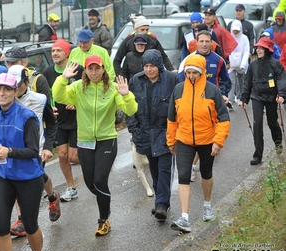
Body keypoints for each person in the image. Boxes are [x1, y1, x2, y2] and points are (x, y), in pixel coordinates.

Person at [52, 55, 138, 236]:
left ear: (103, 69)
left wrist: (126, 95)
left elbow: (131, 110)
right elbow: (58, 96)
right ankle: (105, 203)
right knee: (91, 184)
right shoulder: (78, 88)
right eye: (90, 69)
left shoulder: (113, 88)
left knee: (99, 180)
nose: (93, 72)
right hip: (84, 141)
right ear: (85, 71)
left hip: (107, 139)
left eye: (97, 68)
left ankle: (103, 220)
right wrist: (63, 78)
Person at [0, 73, 46, 251]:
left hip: (28, 176)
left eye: (7, 89)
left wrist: (9, 152)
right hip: (2, 175)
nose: (2, 93)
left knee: (30, 224)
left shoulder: (27, 116)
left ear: (15, 91)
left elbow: (34, 151)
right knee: (1, 227)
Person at [167, 54, 231, 232]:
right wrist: (171, 141)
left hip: (207, 140)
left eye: (195, 72)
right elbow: (172, 119)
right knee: (184, 176)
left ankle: (207, 206)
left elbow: (224, 119)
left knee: (206, 173)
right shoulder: (178, 90)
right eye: (188, 72)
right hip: (184, 140)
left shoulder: (212, 91)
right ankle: (185, 218)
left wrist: (218, 141)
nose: (191, 76)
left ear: (202, 72)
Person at [8, 64, 60, 251]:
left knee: (28, 197)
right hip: (12, 155)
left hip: (35, 153)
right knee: (35, 183)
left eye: (18, 85)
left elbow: (52, 124)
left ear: (26, 82)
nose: (13, 90)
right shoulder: (4, 99)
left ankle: (32, 245)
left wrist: (48, 147)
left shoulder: (39, 99)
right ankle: (53, 196)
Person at [125, 49, 181, 221]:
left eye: (152, 66)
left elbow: (179, 107)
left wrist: (177, 132)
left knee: (164, 168)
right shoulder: (136, 81)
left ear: (159, 66)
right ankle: (160, 202)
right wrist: (134, 130)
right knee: (155, 170)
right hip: (145, 132)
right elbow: (130, 107)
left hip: (165, 132)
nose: (149, 70)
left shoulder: (172, 80)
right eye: (146, 66)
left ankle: (162, 205)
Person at [43, 39, 83, 202]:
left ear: (67, 53)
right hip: (58, 120)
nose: (55, 53)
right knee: (62, 154)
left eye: (59, 50)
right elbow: (47, 95)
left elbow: (87, 89)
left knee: (74, 157)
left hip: (76, 120)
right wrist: (50, 107)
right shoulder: (47, 72)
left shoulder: (77, 69)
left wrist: (76, 102)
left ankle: (94, 161)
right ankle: (71, 187)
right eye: (53, 51)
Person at [240, 38, 286, 165]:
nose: (258, 50)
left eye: (261, 48)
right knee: (257, 123)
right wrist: (244, 99)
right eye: (257, 48)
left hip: (271, 97)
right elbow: (247, 82)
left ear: (267, 49)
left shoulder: (276, 64)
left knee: (272, 122)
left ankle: (278, 143)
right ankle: (257, 155)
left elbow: (282, 80)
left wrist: (282, 95)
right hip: (257, 96)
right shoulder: (253, 65)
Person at [178, 30, 232, 107]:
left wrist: (222, 94)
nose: (204, 44)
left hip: (213, 100)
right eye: (201, 41)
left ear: (212, 42)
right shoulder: (188, 60)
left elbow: (225, 80)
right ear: (197, 42)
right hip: (193, 100)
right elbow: (180, 81)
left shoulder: (219, 60)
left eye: (207, 41)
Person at [228, 20, 250, 105]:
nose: (235, 31)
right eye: (234, 30)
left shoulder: (244, 38)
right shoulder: (229, 37)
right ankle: (230, 100)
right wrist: (228, 62)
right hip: (231, 64)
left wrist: (243, 64)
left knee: (242, 82)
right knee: (231, 81)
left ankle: (241, 98)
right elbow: (227, 50)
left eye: (237, 30)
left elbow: (246, 52)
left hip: (241, 64)